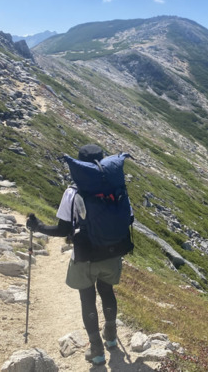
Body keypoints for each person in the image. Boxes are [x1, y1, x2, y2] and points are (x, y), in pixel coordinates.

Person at [26, 144, 133, 366]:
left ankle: (97, 352)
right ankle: (111, 337)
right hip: (112, 253)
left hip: (85, 255)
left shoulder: (73, 192)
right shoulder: (117, 188)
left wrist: (37, 226)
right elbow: (128, 219)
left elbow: (63, 230)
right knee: (107, 291)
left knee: (87, 298)